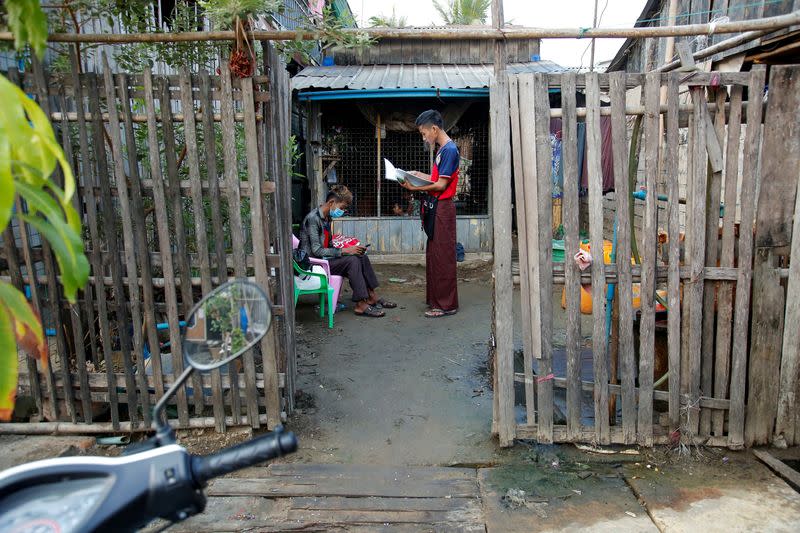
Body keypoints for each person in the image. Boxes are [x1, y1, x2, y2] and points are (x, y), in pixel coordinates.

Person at [299, 185, 396, 318]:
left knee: (360, 256)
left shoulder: (327, 218)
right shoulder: (313, 219)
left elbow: (330, 244)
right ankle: (361, 304)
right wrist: (345, 251)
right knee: (352, 260)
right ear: (332, 202)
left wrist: (352, 249)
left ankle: (372, 296)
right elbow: (316, 250)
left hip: (325, 261)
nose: (343, 211)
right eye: (342, 207)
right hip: (314, 265)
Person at [401, 110, 459, 318]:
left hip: (443, 208)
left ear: (434, 129)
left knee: (443, 256)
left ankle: (446, 305)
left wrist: (414, 188)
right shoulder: (442, 150)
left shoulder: (450, 150)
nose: (424, 138)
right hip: (436, 207)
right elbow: (435, 179)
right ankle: (436, 300)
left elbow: (442, 185)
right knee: (434, 255)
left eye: (424, 133)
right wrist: (417, 175)